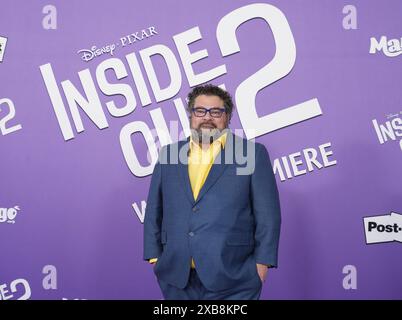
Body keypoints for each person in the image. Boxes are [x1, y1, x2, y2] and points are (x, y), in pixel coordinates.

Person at [143, 84, 281, 300]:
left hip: (234, 276)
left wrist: (262, 263)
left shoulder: (252, 153)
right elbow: (154, 209)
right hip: (176, 276)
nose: (207, 117)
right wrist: (154, 257)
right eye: (200, 111)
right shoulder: (168, 154)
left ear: (227, 117)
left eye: (216, 112)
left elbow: (268, 215)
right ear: (191, 115)